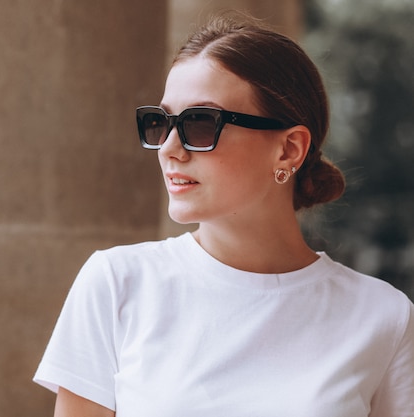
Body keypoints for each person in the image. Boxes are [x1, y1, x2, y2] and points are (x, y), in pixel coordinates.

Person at [33, 12, 414, 417]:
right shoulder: (117, 282)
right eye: (161, 123)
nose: (169, 149)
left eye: (200, 123)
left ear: (288, 150)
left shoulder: (382, 316)